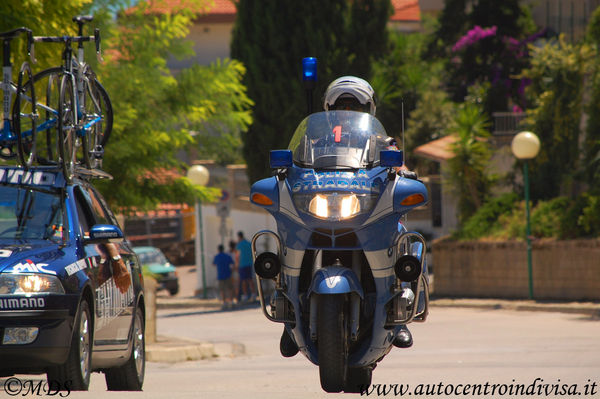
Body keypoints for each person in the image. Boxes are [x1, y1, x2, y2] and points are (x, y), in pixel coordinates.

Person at [322, 76, 414, 350]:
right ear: (329, 110)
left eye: (354, 105)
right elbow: (297, 163)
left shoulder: (382, 140)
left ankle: (400, 317)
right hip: (326, 211)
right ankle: (291, 316)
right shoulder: (318, 140)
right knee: (298, 239)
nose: (348, 111)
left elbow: (398, 162)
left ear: (368, 109)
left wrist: (403, 172)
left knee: (401, 238)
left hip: (370, 215)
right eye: (342, 105)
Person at [212, 244, 235, 309]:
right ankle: (231, 301)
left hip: (220, 275)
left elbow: (213, 264)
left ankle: (224, 302)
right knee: (230, 288)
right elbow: (232, 263)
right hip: (228, 274)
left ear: (218, 250)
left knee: (222, 290)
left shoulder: (217, 257)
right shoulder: (227, 256)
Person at [236, 231, 256, 302]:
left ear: (239, 237)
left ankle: (245, 295)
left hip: (242, 264)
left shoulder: (239, 245)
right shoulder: (248, 243)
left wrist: (237, 265)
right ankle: (253, 294)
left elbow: (237, 256)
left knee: (243, 280)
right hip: (249, 264)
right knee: (250, 279)